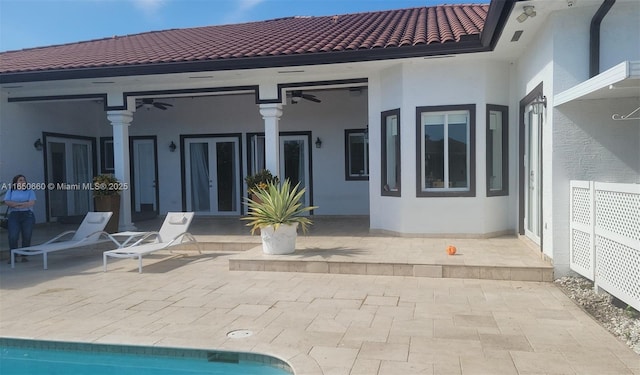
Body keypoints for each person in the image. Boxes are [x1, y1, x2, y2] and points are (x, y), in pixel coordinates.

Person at [4, 175, 36, 262]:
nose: (23, 182)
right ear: (16, 182)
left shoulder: (29, 191)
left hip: (27, 215)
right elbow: (7, 202)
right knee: (13, 236)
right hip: (14, 215)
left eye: (24, 180)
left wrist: (16, 204)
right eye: (20, 180)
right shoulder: (10, 190)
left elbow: (31, 203)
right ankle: (13, 256)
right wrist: (22, 203)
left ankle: (24, 255)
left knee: (27, 235)